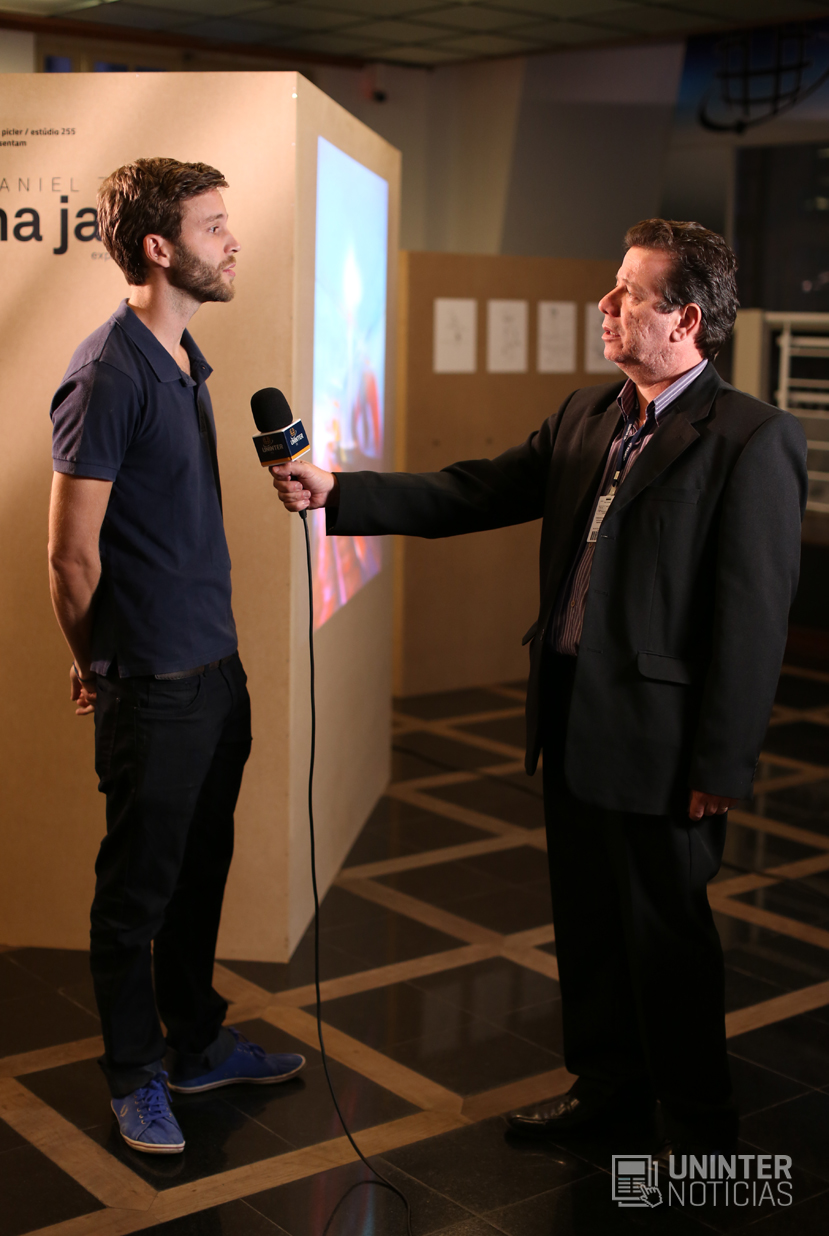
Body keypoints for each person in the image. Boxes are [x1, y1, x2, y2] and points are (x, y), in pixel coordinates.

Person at [272, 220, 807, 1155]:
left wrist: (722, 763)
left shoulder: (750, 437)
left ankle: (697, 1129)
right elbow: (475, 490)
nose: (606, 303)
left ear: (684, 320)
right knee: (589, 927)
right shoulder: (586, 416)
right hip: (571, 719)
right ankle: (606, 1091)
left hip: (662, 742)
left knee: (666, 940)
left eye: (629, 292)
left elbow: (753, 619)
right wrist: (339, 493)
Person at [48, 158, 304, 1156]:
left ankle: (195, 1042)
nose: (232, 241)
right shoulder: (108, 372)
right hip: (151, 683)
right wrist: (96, 660)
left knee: (200, 873)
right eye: (212, 226)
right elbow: (71, 555)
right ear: (159, 247)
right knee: (135, 895)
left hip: (214, 673)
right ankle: (134, 1074)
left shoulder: (185, 359)